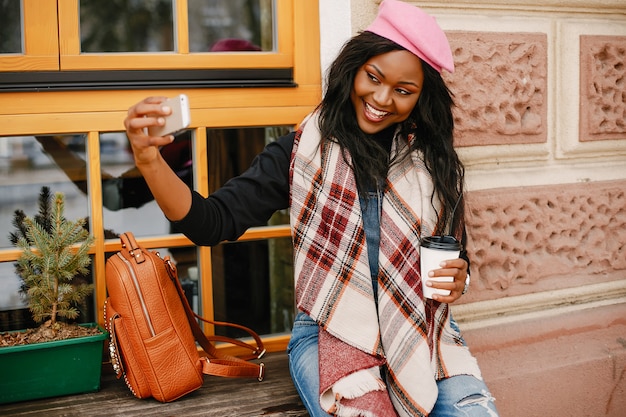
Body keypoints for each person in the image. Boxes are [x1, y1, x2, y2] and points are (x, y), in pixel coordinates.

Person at [123, 1, 500, 415]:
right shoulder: (299, 154)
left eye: (403, 90)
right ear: (353, 70)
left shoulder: (433, 165)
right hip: (327, 333)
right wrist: (149, 161)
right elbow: (211, 223)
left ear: (420, 97)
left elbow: (451, 256)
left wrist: (458, 277)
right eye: (373, 77)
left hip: (422, 333)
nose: (381, 97)